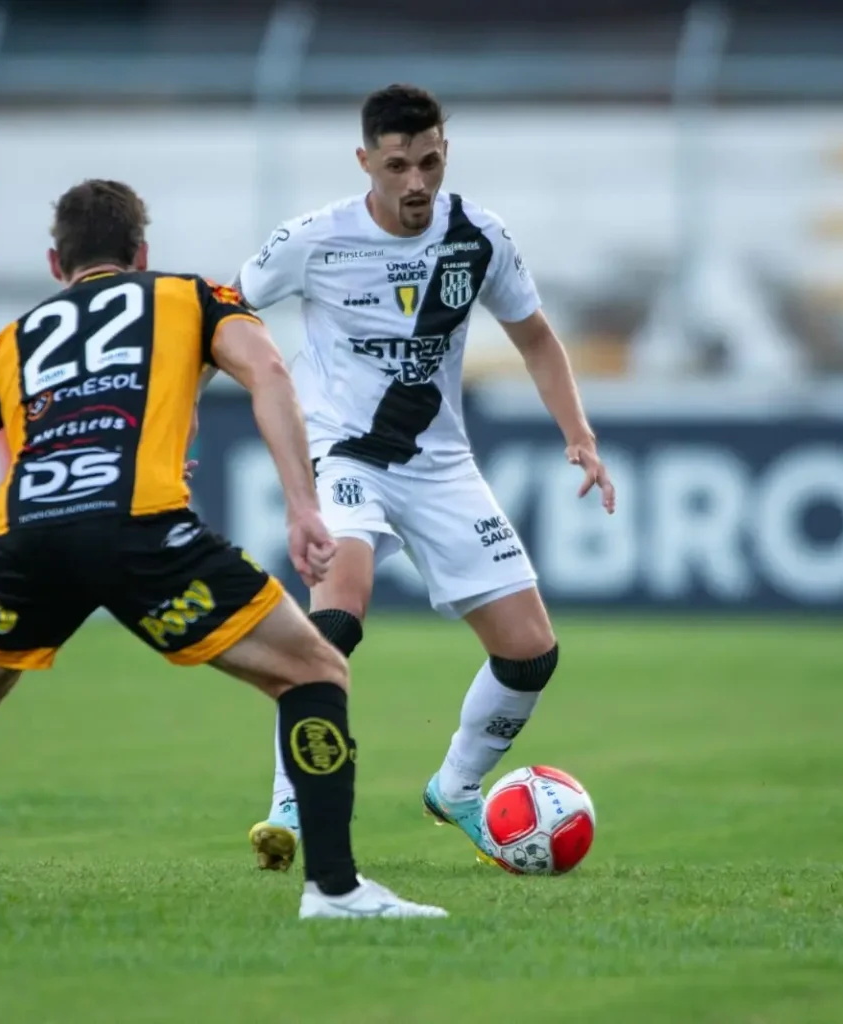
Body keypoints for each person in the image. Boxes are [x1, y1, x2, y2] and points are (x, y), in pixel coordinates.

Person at [0, 179, 445, 920]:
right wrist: (301, 504)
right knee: (315, 669)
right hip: (138, 532)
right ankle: (335, 888)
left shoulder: (6, 345)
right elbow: (269, 373)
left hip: (26, 542)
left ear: (56, 263)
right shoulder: (190, 296)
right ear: (142, 253)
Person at [232, 85, 616, 872]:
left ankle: (458, 790)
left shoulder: (478, 236)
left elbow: (537, 337)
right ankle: (290, 799)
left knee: (531, 654)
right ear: (365, 160)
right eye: (399, 164)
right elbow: (224, 316)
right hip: (341, 451)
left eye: (431, 161)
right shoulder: (312, 240)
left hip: (439, 465)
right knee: (338, 611)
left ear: (446, 153)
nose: (417, 182)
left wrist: (578, 435)